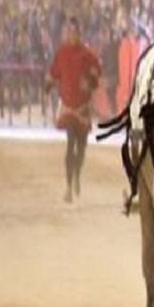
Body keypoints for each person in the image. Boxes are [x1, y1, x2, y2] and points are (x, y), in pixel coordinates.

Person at [46, 17, 101, 203]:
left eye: (74, 32)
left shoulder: (88, 55)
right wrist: (48, 86)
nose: (71, 35)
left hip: (83, 108)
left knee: (82, 149)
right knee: (70, 145)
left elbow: (96, 78)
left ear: (79, 33)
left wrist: (90, 84)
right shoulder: (61, 53)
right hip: (68, 107)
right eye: (69, 32)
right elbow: (53, 74)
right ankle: (69, 186)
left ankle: (77, 173)